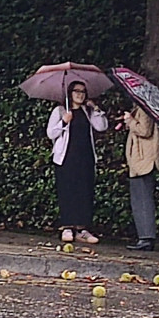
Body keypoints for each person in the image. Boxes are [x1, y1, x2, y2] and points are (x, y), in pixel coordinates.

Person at [46, 80, 108, 244]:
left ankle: (83, 228)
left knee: (85, 191)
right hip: (66, 157)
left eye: (83, 91)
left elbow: (101, 127)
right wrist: (64, 121)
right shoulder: (60, 111)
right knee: (68, 191)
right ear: (70, 93)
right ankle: (67, 226)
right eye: (76, 91)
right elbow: (51, 133)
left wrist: (95, 108)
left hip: (85, 156)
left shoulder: (87, 111)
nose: (80, 94)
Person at [123, 105, 159, 251]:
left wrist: (130, 120)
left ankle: (146, 237)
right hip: (139, 160)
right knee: (139, 198)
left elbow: (145, 130)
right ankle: (144, 236)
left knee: (143, 199)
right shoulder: (140, 108)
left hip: (144, 160)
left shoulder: (145, 108)